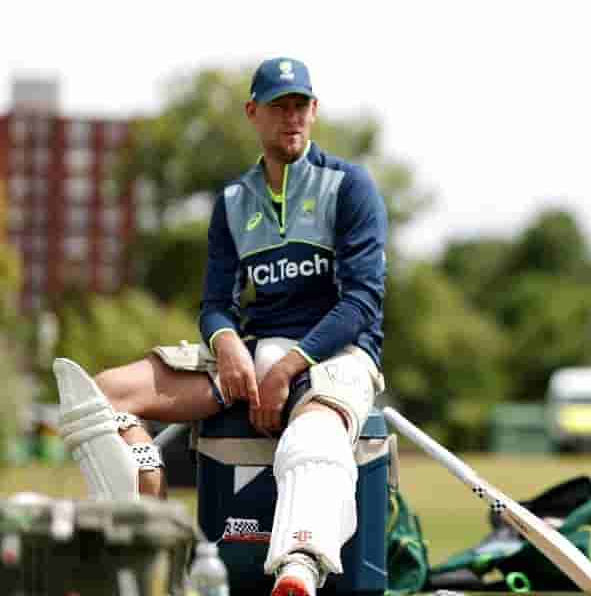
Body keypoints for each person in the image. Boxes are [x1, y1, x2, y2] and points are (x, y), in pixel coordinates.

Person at [52, 57, 389, 596]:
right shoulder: (233, 202)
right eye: (279, 106)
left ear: (314, 110)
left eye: (300, 105)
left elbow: (362, 304)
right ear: (253, 113)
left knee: (314, 437)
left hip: (337, 353)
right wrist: (227, 342)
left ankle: (299, 566)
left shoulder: (349, 186)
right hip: (256, 350)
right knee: (103, 396)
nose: (291, 117)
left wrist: (288, 367)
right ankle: (153, 538)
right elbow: (215, 303)